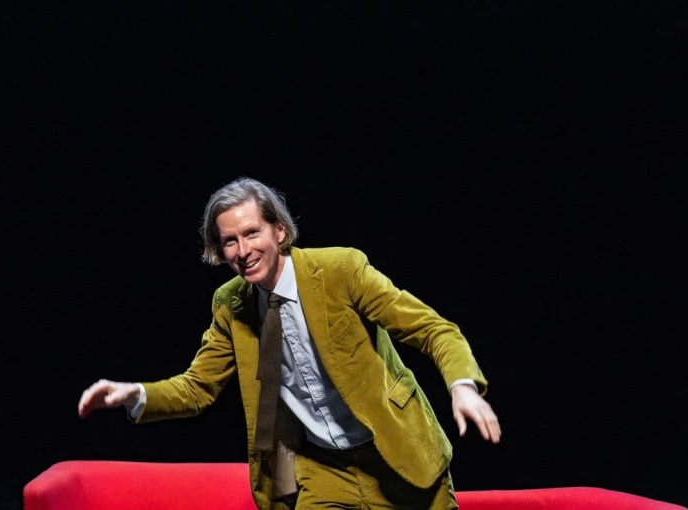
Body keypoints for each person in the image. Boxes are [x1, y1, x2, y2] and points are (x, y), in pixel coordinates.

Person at [78, 176, 501, 509]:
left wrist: (462, 386)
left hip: (397, 455)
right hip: (323, 470)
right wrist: (135, 394)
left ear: (279, 231)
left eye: (252, 233)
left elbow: (432, 329)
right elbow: (197, 388)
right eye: (230, 241)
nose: (243, 250)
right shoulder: (230, 304)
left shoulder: (340, 270)